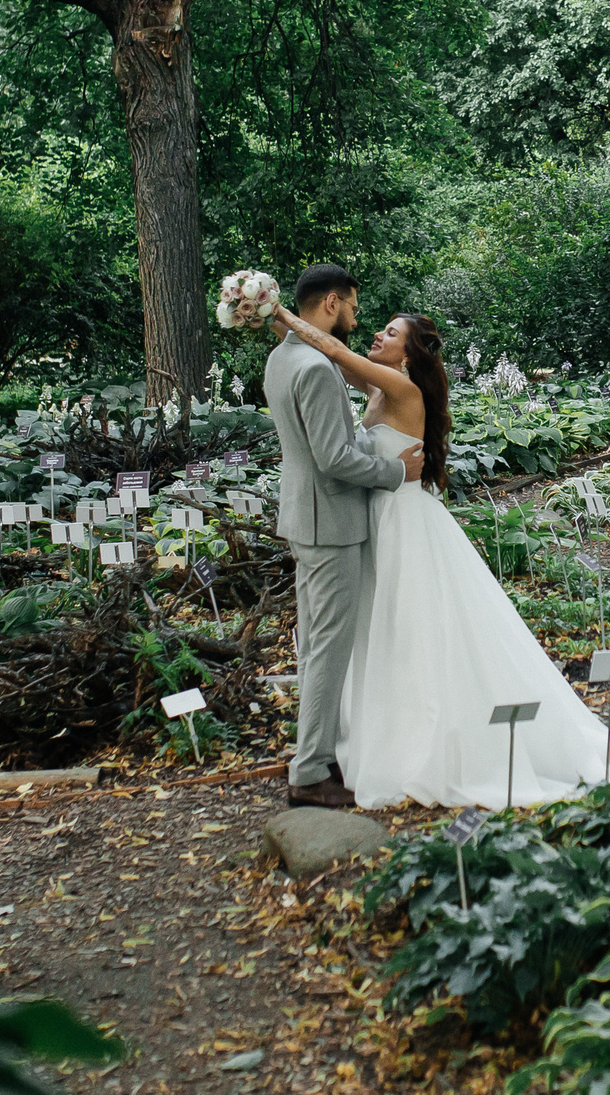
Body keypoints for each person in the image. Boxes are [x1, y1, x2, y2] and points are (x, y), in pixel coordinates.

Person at [271, 299, 610, 809]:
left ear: (410, 354)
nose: (377, 335)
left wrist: (278, 312)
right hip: (379, 518)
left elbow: (332, 349)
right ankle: (378, 729)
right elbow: (331, 365)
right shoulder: (379, 385)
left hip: (403, 520)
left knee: (415, 625)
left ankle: (428, 739)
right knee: (386, 625)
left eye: (390, 334)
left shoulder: (400, 386)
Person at [264, 263, 423, 810]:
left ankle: (318, 751)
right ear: (331, 303)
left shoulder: (282, 357)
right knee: (328, 647)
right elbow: (332, 458)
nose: (358, 318)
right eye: (353, 306)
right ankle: (309, 772)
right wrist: (395, 472)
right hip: (330, 523)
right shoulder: (314, 366)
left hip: (306, 518)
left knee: (314, 644)